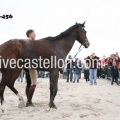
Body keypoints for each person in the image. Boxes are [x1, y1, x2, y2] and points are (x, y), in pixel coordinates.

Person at [25, 29, 37, 106]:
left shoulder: (27, 42)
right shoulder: (29, 41)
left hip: (27, 64)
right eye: (34, 34)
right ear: (30, 35)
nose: (35, 35)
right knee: (34, 83)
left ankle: (28, 100)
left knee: (29, 83)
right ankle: (29, 101)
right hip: (31, 64)